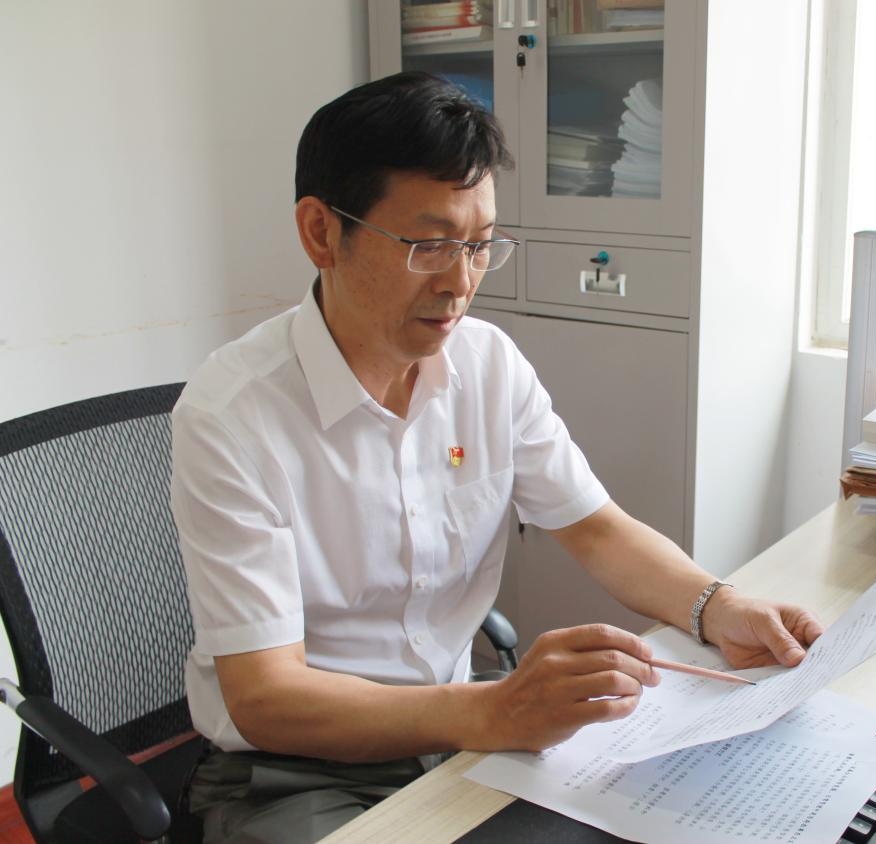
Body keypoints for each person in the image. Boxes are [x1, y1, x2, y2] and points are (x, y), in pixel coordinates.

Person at [170, 72, 824, 844]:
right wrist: (494, 711)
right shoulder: (232, 414)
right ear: (320, 233)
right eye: (428, 246)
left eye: (480, 246)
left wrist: (717, 607)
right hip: (296, 768)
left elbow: (597, 529)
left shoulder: (487, 365)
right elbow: (265, 698)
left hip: (460, 733)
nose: (460, 283)